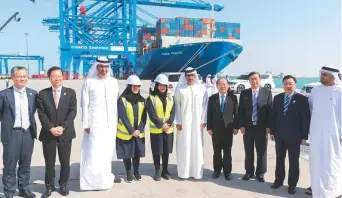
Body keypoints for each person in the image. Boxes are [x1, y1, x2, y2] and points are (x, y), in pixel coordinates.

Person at [80, 57, 121, 191]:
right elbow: (84, 104)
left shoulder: (114, 82)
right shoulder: (89, 82)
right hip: (94, 124)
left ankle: (105, 177)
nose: (104, 69)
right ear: (97, 67)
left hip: (110, 124)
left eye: (106, 67)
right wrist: (86, 123)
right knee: (93, 152)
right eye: (101, 67)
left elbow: (116, 102)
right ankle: (90, 182)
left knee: (107, 152)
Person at [37, 66, 77, 197]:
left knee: (65, 162)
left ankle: (63, 185)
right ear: (49, 78)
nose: (57, 78)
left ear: (63, 77)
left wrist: (62, 127)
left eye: (59, 76)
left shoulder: (70, 92)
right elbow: (41, 113)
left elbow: (72, 112)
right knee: (49, 162)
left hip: (65, 133)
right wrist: (51, 128)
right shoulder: (43, 94)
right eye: (54, 76)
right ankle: (49, 186)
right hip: (48, 133)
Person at [0, 66, 38, 198]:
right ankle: (9, 192)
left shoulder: (33, 94)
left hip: (28, 133)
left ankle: (23, 188)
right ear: (12, 77)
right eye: (19, 76)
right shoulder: (3, 94)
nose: (22, 79)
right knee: (10, 164)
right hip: (12, 134)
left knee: (25, 163)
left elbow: (32, 112)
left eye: (24, 76)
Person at [270, 75, 310, 194]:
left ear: (295, 85)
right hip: (280, 135)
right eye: (285, 84)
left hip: (295, 137)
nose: (288, 86)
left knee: (294, 161)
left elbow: (305, 119)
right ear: (283, 85)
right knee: (279, 160)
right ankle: (278, 181)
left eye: (290, 84)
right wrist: (272, 132)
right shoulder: (277, 98)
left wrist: (304, 136)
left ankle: (292, 185)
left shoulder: (302, 99)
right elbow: (273, 116)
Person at [308, 66, 342, 198]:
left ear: (333, 76)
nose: (322, 76)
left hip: (335, 137)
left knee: (332, 164)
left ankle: (334, 191)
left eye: (325, 75)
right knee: (316, 163)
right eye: (321, 74)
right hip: (316, 134)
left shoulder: (339, 91)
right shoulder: (316, 90)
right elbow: (310, 109)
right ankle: (317, 190)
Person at [238, 71, 272, 182]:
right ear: (249, 81)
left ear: (260, 80)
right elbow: (241, 111)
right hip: (247, 127)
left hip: (261, 127)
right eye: (251, 79)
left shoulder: (266, 92)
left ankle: (260, 173)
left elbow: (269, 110)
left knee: (261, 151)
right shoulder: (244, 93)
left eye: (256, 79)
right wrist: (241, 125)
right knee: (248, 150)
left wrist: (268, 126)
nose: (254, 81)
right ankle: (249, 172)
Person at [174, 67, 207, 179]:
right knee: (185, 145)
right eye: (188, 75)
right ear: (185, 76)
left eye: (192, 75)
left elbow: (205, 105)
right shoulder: (180, 89)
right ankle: (184, 172)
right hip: (184, 123)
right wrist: (178, 121)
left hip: (198, 123)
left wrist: (204, 120)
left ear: (195, 76)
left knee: (197, 145)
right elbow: (177, 106)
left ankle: (197, 172)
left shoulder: (202, 88)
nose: (190, 77)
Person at [116, 75, 147, 183]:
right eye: (134, 86)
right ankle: (129, 172)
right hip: (126, 133)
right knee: (127, 154)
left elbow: (144, 117)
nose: (136, 88)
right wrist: (131, 130)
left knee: (137, 153)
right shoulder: (122, 100)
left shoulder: (142, 100)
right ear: (129, 86)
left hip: (138, 133)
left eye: (138, 86)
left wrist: (139, 129)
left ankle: (136, 171)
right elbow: (122, 116)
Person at [207, 78, 239, 180]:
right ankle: (217, 171)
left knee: (227, 152)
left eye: (224, 84)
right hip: (216, 130)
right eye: (220, 84)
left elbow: (236, 114)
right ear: (217, 86)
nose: (222, 86)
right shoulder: (212, 98)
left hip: (228, 130)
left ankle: (227, 172)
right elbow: (209, 114)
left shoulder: (233, 98)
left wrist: (236, 127)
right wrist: (209, 127)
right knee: (216, 151)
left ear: (228, 85)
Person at [146, 74, 175, 181]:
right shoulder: (151, 98)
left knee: (166, 151)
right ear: (156, 85)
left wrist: (169, 123)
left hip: (168, 129)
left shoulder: (171, 97)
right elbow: (151, 114)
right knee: (157, 151)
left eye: (164, 85)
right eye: (160, 85)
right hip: (157, 130)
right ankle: (157, 170)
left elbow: (173, 112)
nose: (162, 87)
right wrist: (161, 124)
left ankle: (165, 170)